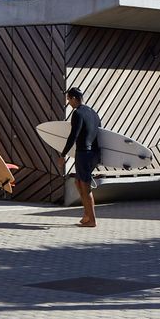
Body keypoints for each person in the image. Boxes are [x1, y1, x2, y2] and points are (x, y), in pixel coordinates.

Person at [61, 86, 102, 227]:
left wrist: (63, 154)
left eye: (68, 99)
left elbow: (74, 136)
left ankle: (92, 220)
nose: (68, 102)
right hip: (94, 153)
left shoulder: (77, 113)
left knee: (85, 186)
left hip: (84, 153)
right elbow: (100, 133)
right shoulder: (93, 113)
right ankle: (86, 215)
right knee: (78, 182)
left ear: (73, 98)